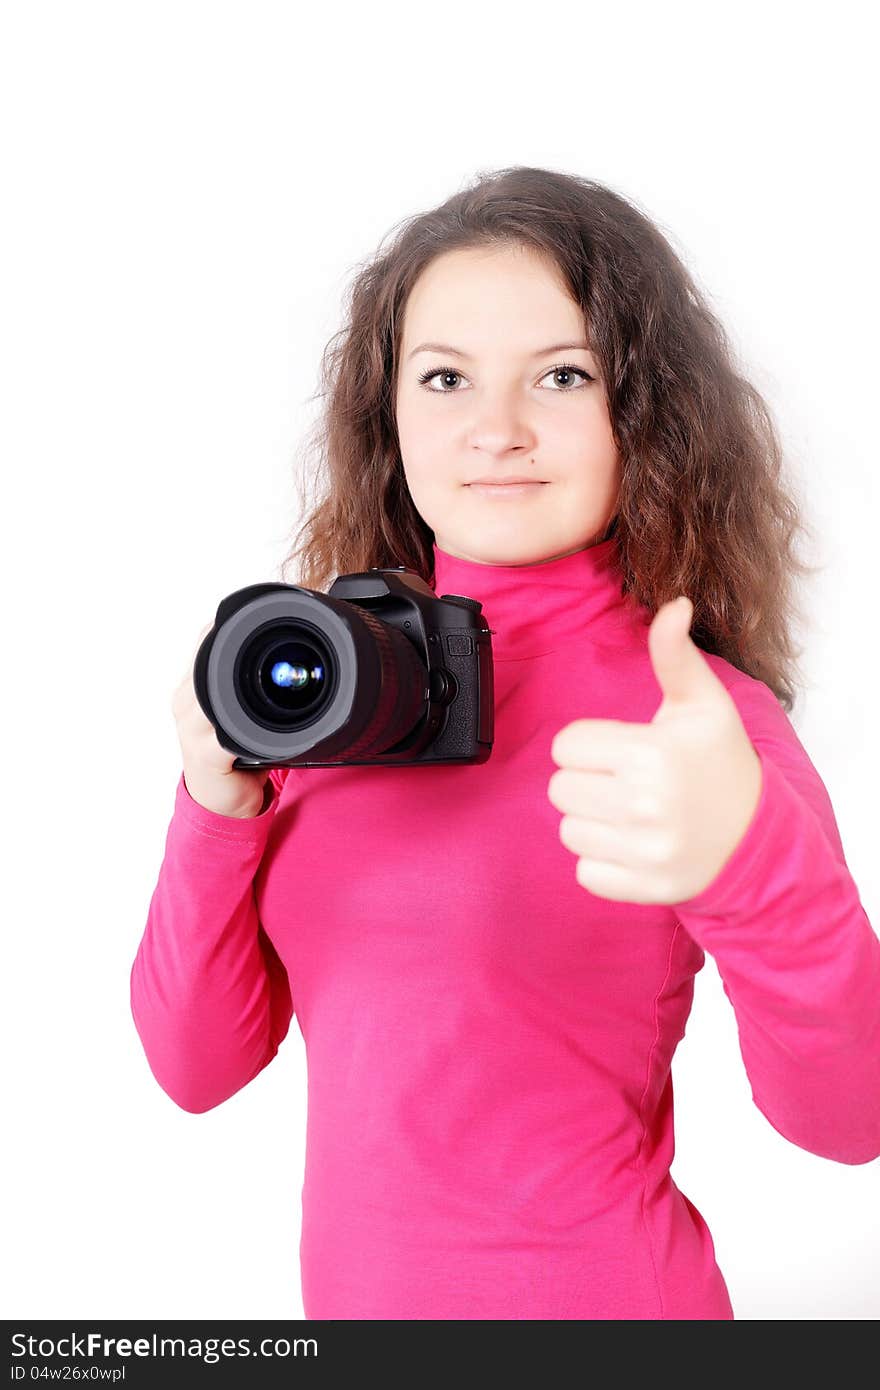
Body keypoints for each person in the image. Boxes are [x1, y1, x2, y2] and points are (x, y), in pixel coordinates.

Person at [130, 166, 880, 1320]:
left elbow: (849, 1122)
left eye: (563, 376)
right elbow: (196, 1070)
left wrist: (756, 873)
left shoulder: (697, 722)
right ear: (389, 411)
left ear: (641, 411)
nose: (496, 431)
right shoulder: (324, 691)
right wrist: (212, 808)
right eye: (444, 378)